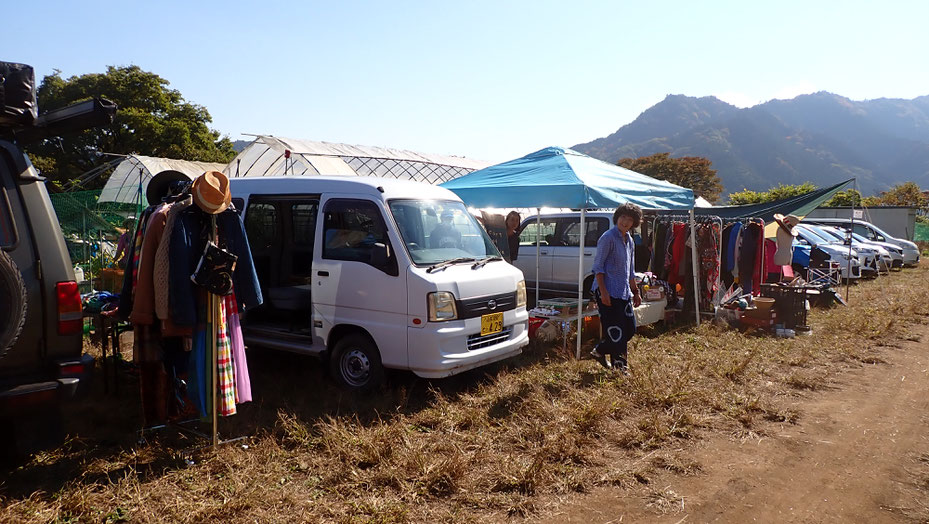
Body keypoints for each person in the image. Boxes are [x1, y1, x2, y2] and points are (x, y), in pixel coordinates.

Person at [589, 203, 642, 373]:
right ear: (617, 218)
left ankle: (599, 350)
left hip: (623, 292)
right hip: (608, 291)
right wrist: (603, 293)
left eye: (630, 219)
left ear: (634, 223)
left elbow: (630, 270)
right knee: (616, 333)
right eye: (623, 217)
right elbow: (598, 267)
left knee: (629, 329)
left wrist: (636, 291)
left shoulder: (630, 240)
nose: (625, 222)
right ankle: (620, 369)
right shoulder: (608, 237)